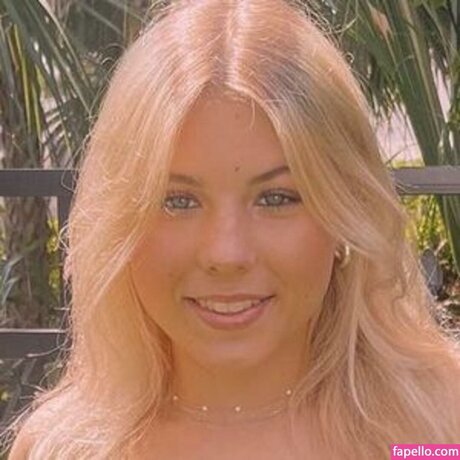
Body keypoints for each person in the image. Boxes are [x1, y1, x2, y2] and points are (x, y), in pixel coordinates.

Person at [4, 0, 460, 458]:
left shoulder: (433, 430)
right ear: (118, 223)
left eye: (276, 198)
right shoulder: (63, 448)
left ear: (345, 212)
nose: (226, 253)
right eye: (178, 201)